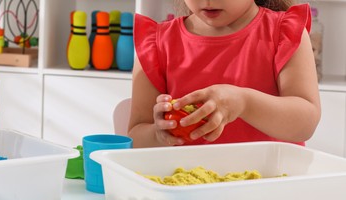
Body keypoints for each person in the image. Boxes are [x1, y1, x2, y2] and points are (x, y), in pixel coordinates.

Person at [128, 0, 320, 148]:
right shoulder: (156, 44)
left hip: (270, 187)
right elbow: (134, 139)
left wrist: (244, 102)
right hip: (188, 191)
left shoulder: (284, 33)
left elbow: (305, 124)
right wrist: (158, 134)